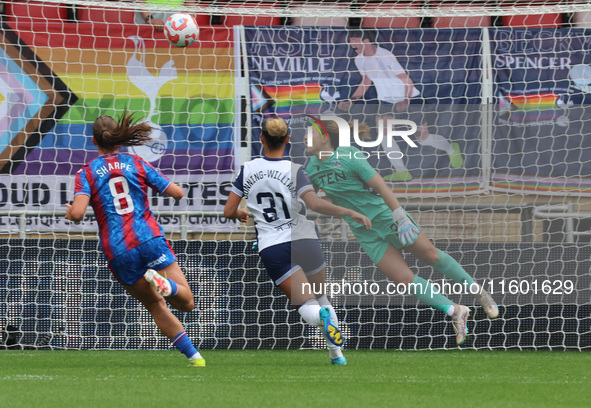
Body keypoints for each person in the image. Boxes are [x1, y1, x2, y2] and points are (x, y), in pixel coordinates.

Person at [305, 120, 499, 346]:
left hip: (386, 217)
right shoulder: (311, 168)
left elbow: (381, 186)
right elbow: (320, 200)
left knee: (431, 255)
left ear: (325, 137)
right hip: (364, 230)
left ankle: (478, 291)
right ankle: (455, 310)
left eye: (310, 134)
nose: (305, 138)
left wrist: (400, 217)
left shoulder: (348, 154)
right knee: (402, 279)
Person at [224, 116, 372, 365]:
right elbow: (314, 204)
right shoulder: (295, 170)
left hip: (273, 246)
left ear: (262, 139)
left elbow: (229, 211)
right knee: (321, 296)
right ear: (287, 140)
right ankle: (337, 355)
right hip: (305, 240)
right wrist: (349, 211)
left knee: (306, 305)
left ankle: (320, 317)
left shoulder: (247, 170)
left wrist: (240, 213)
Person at [65, 112, 205, 367]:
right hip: (148, 237)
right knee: (187, 303)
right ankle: (165, 283)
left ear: (94, 141)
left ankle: (195, 357)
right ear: (119, 137)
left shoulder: (86, 173)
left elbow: (76, 214)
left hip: (118, 250)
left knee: (155, 305)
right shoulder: (137, 163)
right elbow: (177, 193)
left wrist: (70, 211)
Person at [338, 29, 464, 182]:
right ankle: (402, 172)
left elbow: (407, 80)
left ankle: (451, 149)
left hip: (410, 98)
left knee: (423, 138)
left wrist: (405, 100)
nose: (351, 44)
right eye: (350, 40)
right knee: (384, 136)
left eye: (354, 40)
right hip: (386, 102)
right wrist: (351, 100)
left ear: (366, 41)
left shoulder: (385, 56)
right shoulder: (359, 59)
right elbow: (366, 81)